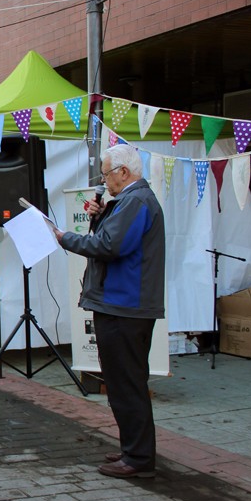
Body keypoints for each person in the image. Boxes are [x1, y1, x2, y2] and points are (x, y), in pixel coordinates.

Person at [54, 144, 165, 479]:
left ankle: (139, 459)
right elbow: (113, 240)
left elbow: (108, 247)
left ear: (124, 172)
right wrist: (101, 217)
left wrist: (64, 238)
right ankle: (134, 450)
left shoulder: (136, 201)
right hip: (121, 304)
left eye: (106, 174)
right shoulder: (129, 202)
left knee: (126, 384)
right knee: (122, 383)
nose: (104, 181)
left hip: (125, 306)